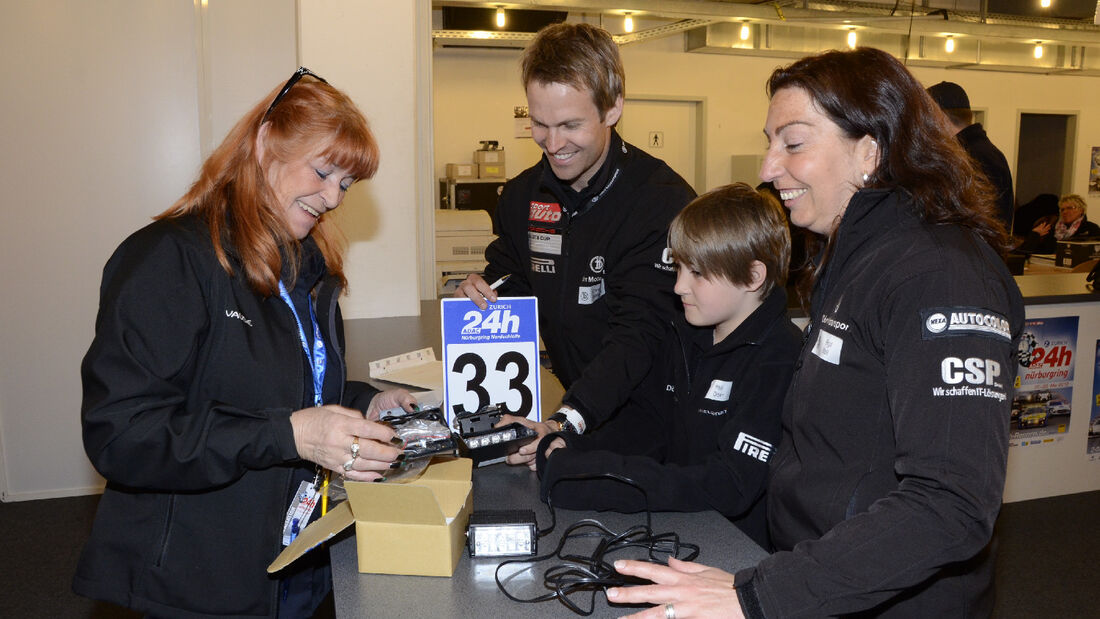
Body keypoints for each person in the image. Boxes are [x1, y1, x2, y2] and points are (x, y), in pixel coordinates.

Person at [606, 47, 1025, 618]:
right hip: (824, 582)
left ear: (869, 153)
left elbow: (949, 503)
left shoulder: (940, 276)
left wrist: (758, 596)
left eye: (794, 143)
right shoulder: (855, 257)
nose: (767, 167)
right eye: (770, 141)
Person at [73, 68, 416, 618]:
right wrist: (289, 436)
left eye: (346, 186)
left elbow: (279, 386)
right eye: (323, 172)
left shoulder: (307, 269)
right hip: (195, 583)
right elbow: (122, 434)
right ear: (264, 143)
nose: (332, 197)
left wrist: (362, 402)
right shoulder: (171, 259)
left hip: (293, 567)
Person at [453, 22, 696, 465]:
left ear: (613, 108)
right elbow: (509, 274)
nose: (553, 143)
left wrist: (567, 421)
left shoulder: (661, 201)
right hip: (575, 404)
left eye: (570, 125)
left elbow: (639, 334)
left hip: (656, 423)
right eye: (540, 124)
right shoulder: (523, 196)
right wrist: (483, 291)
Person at [535, 183, 802, 549]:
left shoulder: (779, 357)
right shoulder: (686, 334)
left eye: (697, 273)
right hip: (682, 531)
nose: (678, 287)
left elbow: (729, 484)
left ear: (753, 277)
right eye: (678, 268)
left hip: (739, 554)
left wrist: (590, 479)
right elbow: (649, 425)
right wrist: (573, 447)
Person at [926, 81, 1015, 232]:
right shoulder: (975, 152)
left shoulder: (976, 158)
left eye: (926, 117)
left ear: (940, 117)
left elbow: (983, 223)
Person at [1016, 193, 1100, 254]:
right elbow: (1027, 252)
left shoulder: (1091, 229)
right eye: (1062, 209)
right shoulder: (1051, 228)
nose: (1065, 212)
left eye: (1070, 208)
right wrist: (1035, 235)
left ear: (1081, 210)